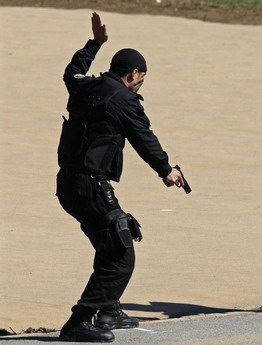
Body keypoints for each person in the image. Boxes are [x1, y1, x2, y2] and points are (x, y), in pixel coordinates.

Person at [56, 12, 184, 342]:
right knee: (121, 253)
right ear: (135, 74)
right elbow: (144, 138)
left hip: (68, 185)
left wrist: (94, 43)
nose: (142, 82)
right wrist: (167, 171)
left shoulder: (85, 86)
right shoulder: (124, 100)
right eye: (142, 77)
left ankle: (109, 310)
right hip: (89, 185)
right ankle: (80, 321)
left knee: (110, 238)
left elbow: (72, 72)